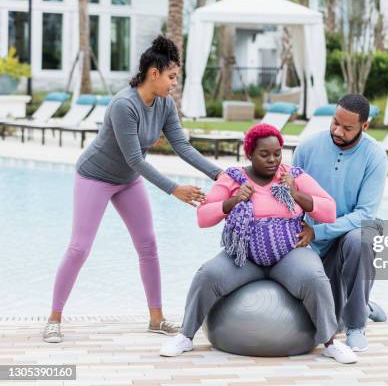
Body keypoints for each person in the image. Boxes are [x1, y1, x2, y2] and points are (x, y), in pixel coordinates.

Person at [43, 36, 222, 343]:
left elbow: (181, 145)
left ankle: (156, 319)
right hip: (95, 176)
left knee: (148, 244)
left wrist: (220, 174)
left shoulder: (165, 104)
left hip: (127, 180)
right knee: (79, 247)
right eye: (171, 77)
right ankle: (54, 320)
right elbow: (135, 159)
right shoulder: (124, 105)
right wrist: (174, 189)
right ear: (154, 73)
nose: (173, 84)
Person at [159, 124, 358, 364]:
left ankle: (330, 343)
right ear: (250, 154)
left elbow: (329, 211)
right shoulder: (232, 177)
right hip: (244, 257)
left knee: (315, 279)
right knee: (207, 275)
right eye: (265, 154)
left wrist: (295, 193)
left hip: (289, 255)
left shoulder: (292, 175)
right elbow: (203, 217)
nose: (273, 159)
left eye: (277, 153)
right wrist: (233, 200)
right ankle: (185, 336)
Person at [292, 93, 388, 352]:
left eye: (347, 128)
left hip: (350, 230)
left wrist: (318, 231)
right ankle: (364, 305)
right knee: (330, 320)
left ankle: (357, 325)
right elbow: (291, 198)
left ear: (364, 127)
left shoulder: (375, 156)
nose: (337, 131)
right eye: (335, 122)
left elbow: (365, 214)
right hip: (312, 235)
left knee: (361, 240)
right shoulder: (307, 147)